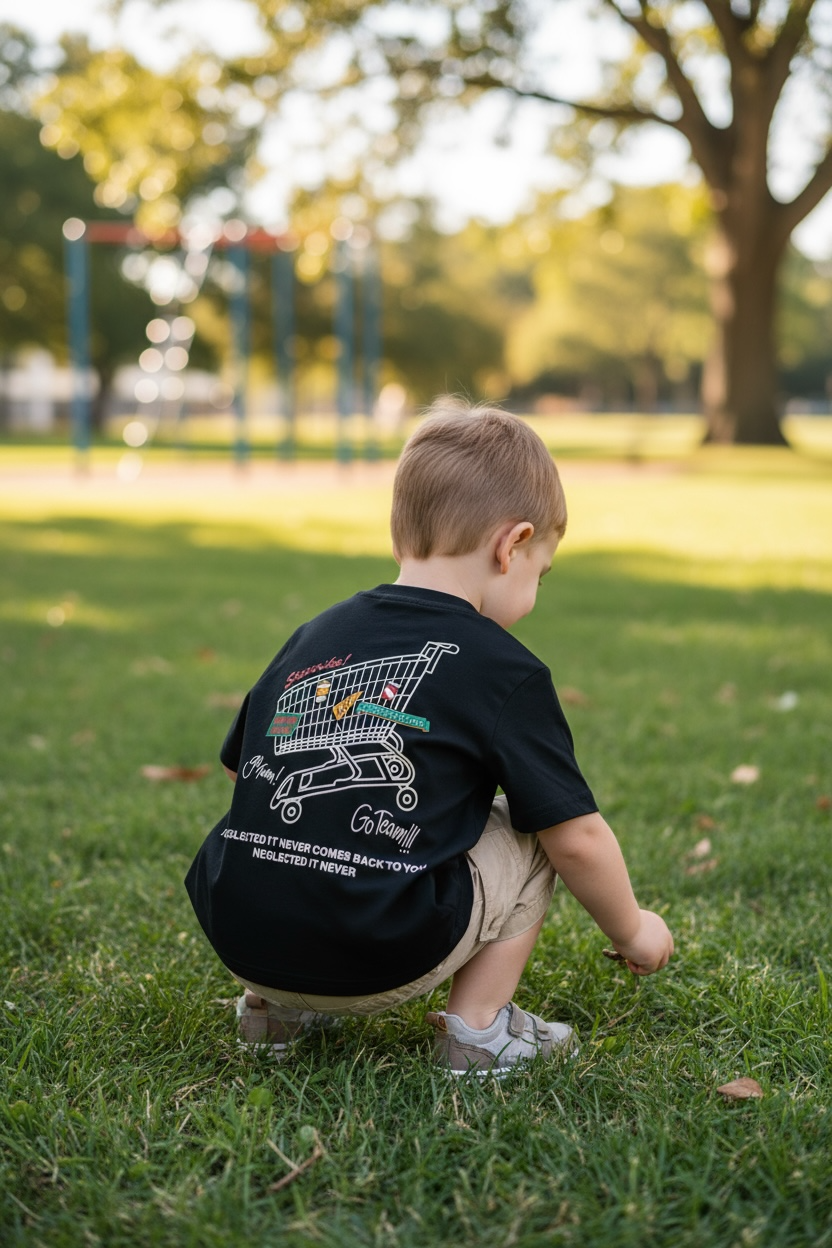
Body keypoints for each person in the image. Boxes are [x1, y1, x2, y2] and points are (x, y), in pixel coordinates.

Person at [185, 397, 673, 1076]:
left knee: (271, 825)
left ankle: (272, 1009)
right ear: (512, 545)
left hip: (239, 932)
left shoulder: (317, 634)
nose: (535, 589)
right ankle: (476, 1034)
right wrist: (635, 930)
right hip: (379, 954)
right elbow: (578, 836)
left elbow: (246, 772)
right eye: (541, 571)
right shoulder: (504, 668)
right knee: (535, 828)